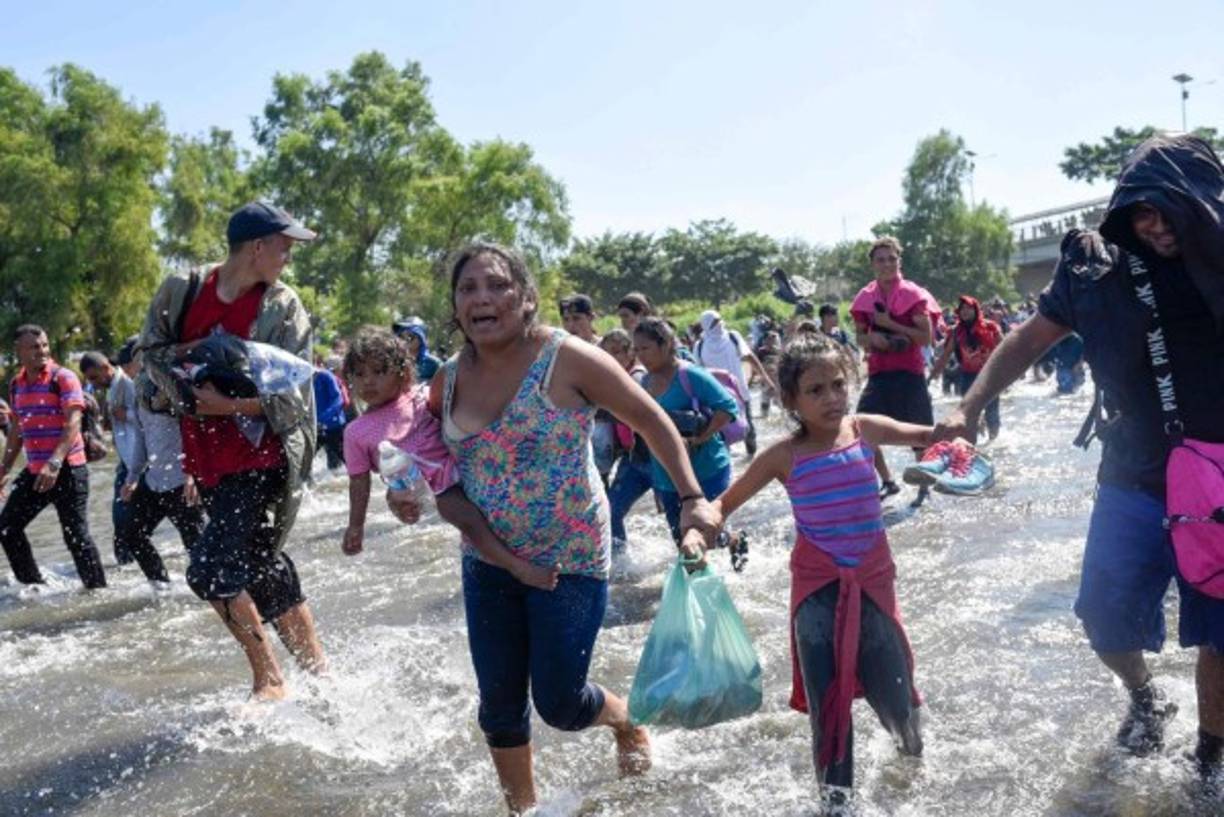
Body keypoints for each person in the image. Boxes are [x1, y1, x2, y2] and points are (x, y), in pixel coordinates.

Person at [387, 242, 721, 815]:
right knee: (498, 706)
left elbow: (650, 418)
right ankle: (524, 811)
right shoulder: (446, 380)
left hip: (570, 557)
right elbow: (434, 461)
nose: (482, 298)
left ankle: (625, 719)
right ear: (456, 306)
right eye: (468, 289)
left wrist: (692, 498)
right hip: (488, 558)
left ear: (525, 298)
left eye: (497, 285)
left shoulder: (567, 359)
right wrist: (406, 492)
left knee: (561, 704)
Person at [935, 134, 1224, 778]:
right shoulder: (1095, 268)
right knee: (1103, 616)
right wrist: (970, 408)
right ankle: (1145, 696)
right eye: (1140, 214)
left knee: (1220, 633)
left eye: (1167, 211)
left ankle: (1209, 757)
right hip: (1134, 474)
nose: (1155, 226)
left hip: (1220, 481)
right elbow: (1029, 338)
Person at [704, 333, 925, 813]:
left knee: (897, 699)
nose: (831, 398)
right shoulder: (783, 456)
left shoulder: (865, 429)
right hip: (818, 591)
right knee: (828, 709)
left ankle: (912, 772)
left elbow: (926, 435)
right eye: (816, 390)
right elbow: (724, 504)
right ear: (790, 400)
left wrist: (955, 433)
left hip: (871, 584)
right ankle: (836, 804)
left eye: (838, 385)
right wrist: (699, 527)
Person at [139, 201, 325, 700]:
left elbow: (295, 395)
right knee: (260, 564)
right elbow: (148, 356)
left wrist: (229, 405)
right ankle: (320, 674)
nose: (289, 257)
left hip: (263, 457)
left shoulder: (284, 306)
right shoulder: (183, 290)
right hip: (208, 460)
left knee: (208, 571)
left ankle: (269, 679)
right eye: (284, 247)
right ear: (257, 247)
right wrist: (196, 354)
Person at [339, 326, 557, 589]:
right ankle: (517, 567)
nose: (368, 381)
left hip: (469, 467)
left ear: (402, 373)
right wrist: (356, 526)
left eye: (378, 371)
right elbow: (359, 481)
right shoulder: (355, 432)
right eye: (359, 374)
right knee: (466, 519)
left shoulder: (421, 397)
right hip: (438, 489)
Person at [0, 325, 107, 589]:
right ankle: (34, 588)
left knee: (76, 536)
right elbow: (17, 431)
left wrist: (54, 462)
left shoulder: (63, 378)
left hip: (68, 468)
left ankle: (97, 591)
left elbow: (73, 423)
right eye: (34, 347)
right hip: (36, 472)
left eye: (45, 345)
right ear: (19, 351)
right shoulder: (16, 385)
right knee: (7, 528)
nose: (42, 351)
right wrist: (3, 470)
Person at [635, 317, 744, 551]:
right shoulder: (644, 383)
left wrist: (699, 438)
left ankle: (733, 541)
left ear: (665, 345)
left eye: (645, 348)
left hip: (707, 468)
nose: (640, 356)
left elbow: (728, 408)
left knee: (710, 534)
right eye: (636, 350)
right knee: (681, 541)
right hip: (667, 477)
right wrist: (656, 485)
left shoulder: (690, 375)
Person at [850, 236, 941, 505]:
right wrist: (872, 339)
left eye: (892, 258)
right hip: (879, 373)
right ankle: (888, 482)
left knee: (920, 433)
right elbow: (859, 337)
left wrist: (890, 324)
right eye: (881, 259)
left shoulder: (913, 294)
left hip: (910, 373)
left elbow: (925, 338)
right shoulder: (865, 298)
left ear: (899, 261)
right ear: (873, 264)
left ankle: (924, 487)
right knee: (859, 430)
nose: (887, 264)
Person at [117, 363, 206, 585]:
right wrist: (132, 477)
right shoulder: (141, 394)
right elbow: (141, 439)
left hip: (183, 482)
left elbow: (196, 433)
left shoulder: (178, 389)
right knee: (131, 533)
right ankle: (161, 586)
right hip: (154, 481)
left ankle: (215, 593)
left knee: (197, 547)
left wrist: (193, 473)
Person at [80, 344, 140, 564]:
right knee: (123, 520)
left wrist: (125, 415)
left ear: (106, 367)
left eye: (95, 378)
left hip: (139, 461)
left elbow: (148, 417)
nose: (93, 383)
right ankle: (128, 567)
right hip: (127, 460)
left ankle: (129, 567)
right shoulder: (112, 387)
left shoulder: (126, 383)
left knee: (124, 520)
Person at [694, 309, 778, 458]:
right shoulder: (700, 346)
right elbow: (698, 373)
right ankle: (729, 465)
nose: (720, 324)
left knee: (748, 431)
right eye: (715, 322)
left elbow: (750, 358)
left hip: (740, 392)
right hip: (716, 398)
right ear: (706, 326)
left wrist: (766, 379)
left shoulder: (732, 337)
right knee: (720, 434)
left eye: (720, 319)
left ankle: (751, 460)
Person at [598, 329, 653, 552]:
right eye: (606, 353)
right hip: (634, 459)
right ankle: (620, 560)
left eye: (616, 352)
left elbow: (631, 414)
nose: (610, 358)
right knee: (612, 510)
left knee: (676, 513)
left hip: (656, 458)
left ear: (630, 353)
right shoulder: (614, 379)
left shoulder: (637, 378)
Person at [928, 296, 1004, 440]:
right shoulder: (956, 332)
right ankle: (975, 441)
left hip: (990, 376)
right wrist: (931, 376)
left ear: (976, 310)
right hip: (968, 377)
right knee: (969, 414)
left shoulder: (991, 327)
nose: (965, 311)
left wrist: (1009, 371)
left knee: (992, 412)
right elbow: (945, 356)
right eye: (962, 309)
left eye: (969, 309)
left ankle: (994, 442)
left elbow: (1004, 347)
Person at [312, 364, 348, 470]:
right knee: (306, 458)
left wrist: (323, 418)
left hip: (334, 425)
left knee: (345, 457)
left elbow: (338, 400)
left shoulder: (326, 376)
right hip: (316, 427)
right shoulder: (303, 377)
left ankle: (362, 476)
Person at [392, 316, 442, 382]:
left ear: (421, 339)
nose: (405, 341)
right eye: (401, 336)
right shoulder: (394, 362)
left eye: (410, 337)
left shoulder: (434, 364)